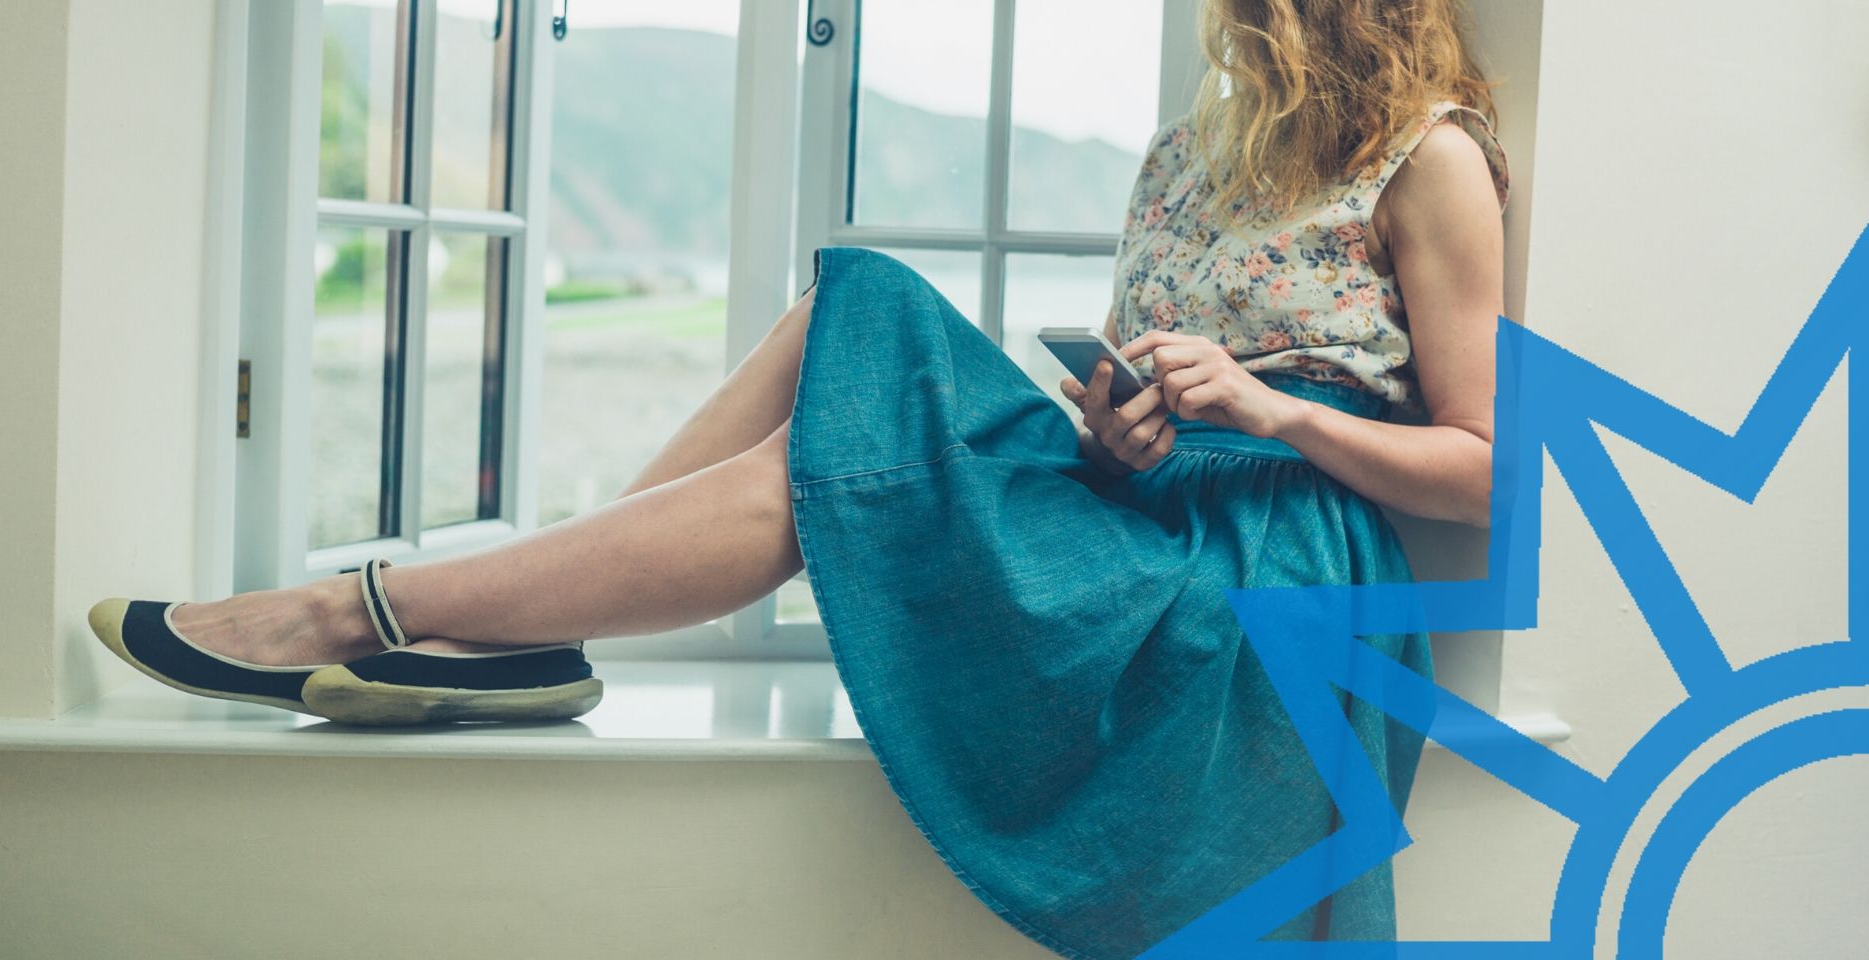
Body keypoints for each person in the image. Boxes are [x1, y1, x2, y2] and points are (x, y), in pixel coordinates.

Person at [89, 0, 1509, 952]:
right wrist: (1116, 425)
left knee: (812, 475)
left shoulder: (1430, 157)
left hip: (1268, 572)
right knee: (853, 304)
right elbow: (1135, 405)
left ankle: (362, 610)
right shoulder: (1185, 156)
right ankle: (510, 621)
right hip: (1139, 505)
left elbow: (1485, 471)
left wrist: (1270, 411)